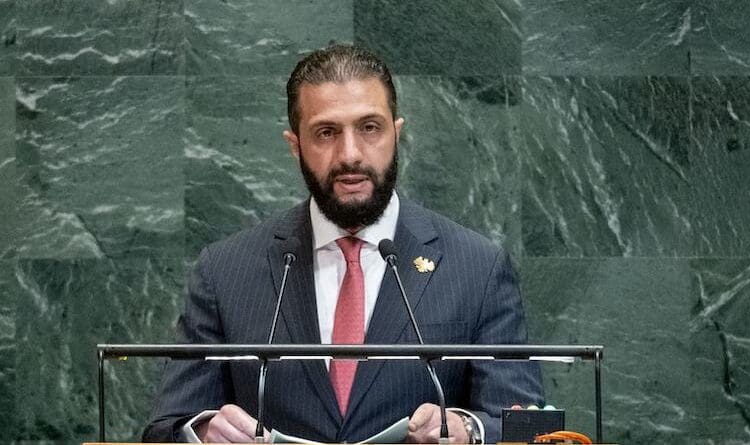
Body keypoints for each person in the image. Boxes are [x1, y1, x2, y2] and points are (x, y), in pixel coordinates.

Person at [142, 44, 543, 444]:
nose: (350, 154)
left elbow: (528, 426)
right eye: (326, 133)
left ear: (396, 133)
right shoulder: (225, 270)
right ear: (295, 145)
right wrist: (204, 431)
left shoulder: (477, 267)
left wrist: (468, 430)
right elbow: (167, 427)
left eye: (369, 128)